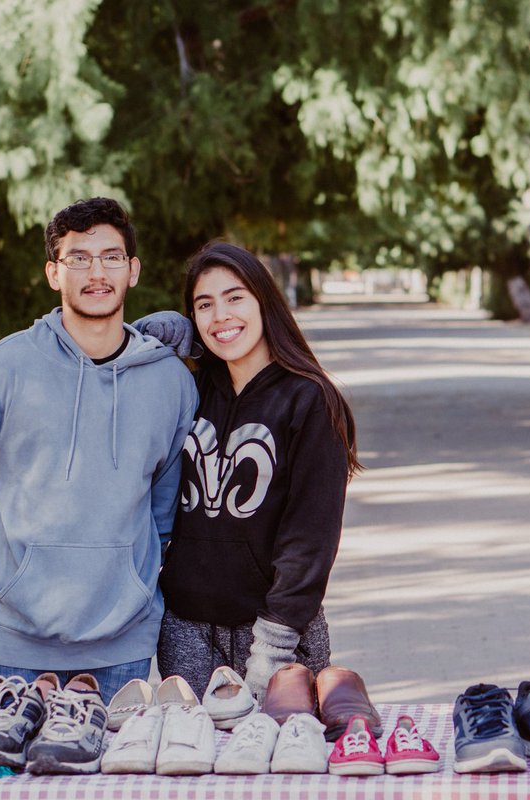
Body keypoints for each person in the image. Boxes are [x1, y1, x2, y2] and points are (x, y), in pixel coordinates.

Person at [0, 197, 198, 703]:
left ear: (133, 271)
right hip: (12, 642)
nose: (96, 272)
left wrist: (134, 587)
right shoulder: (1, 369)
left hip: (121, 643)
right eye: (79, 258)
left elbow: (164, 511)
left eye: (111, 257)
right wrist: (9, 584)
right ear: (54, 273)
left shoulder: (170, 382)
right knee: (8, 782)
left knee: (108, 783)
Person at [157, 241, 361, 701]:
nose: (220, 316)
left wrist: (272, 649)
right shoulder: (189, 389)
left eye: (235, 298)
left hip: (276, 634)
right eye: (204, 305)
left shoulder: (310, 400)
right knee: (189, 763)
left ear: (263, 302)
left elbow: (310, 539)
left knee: (276, 767)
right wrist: (155, 335)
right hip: (187, 631)